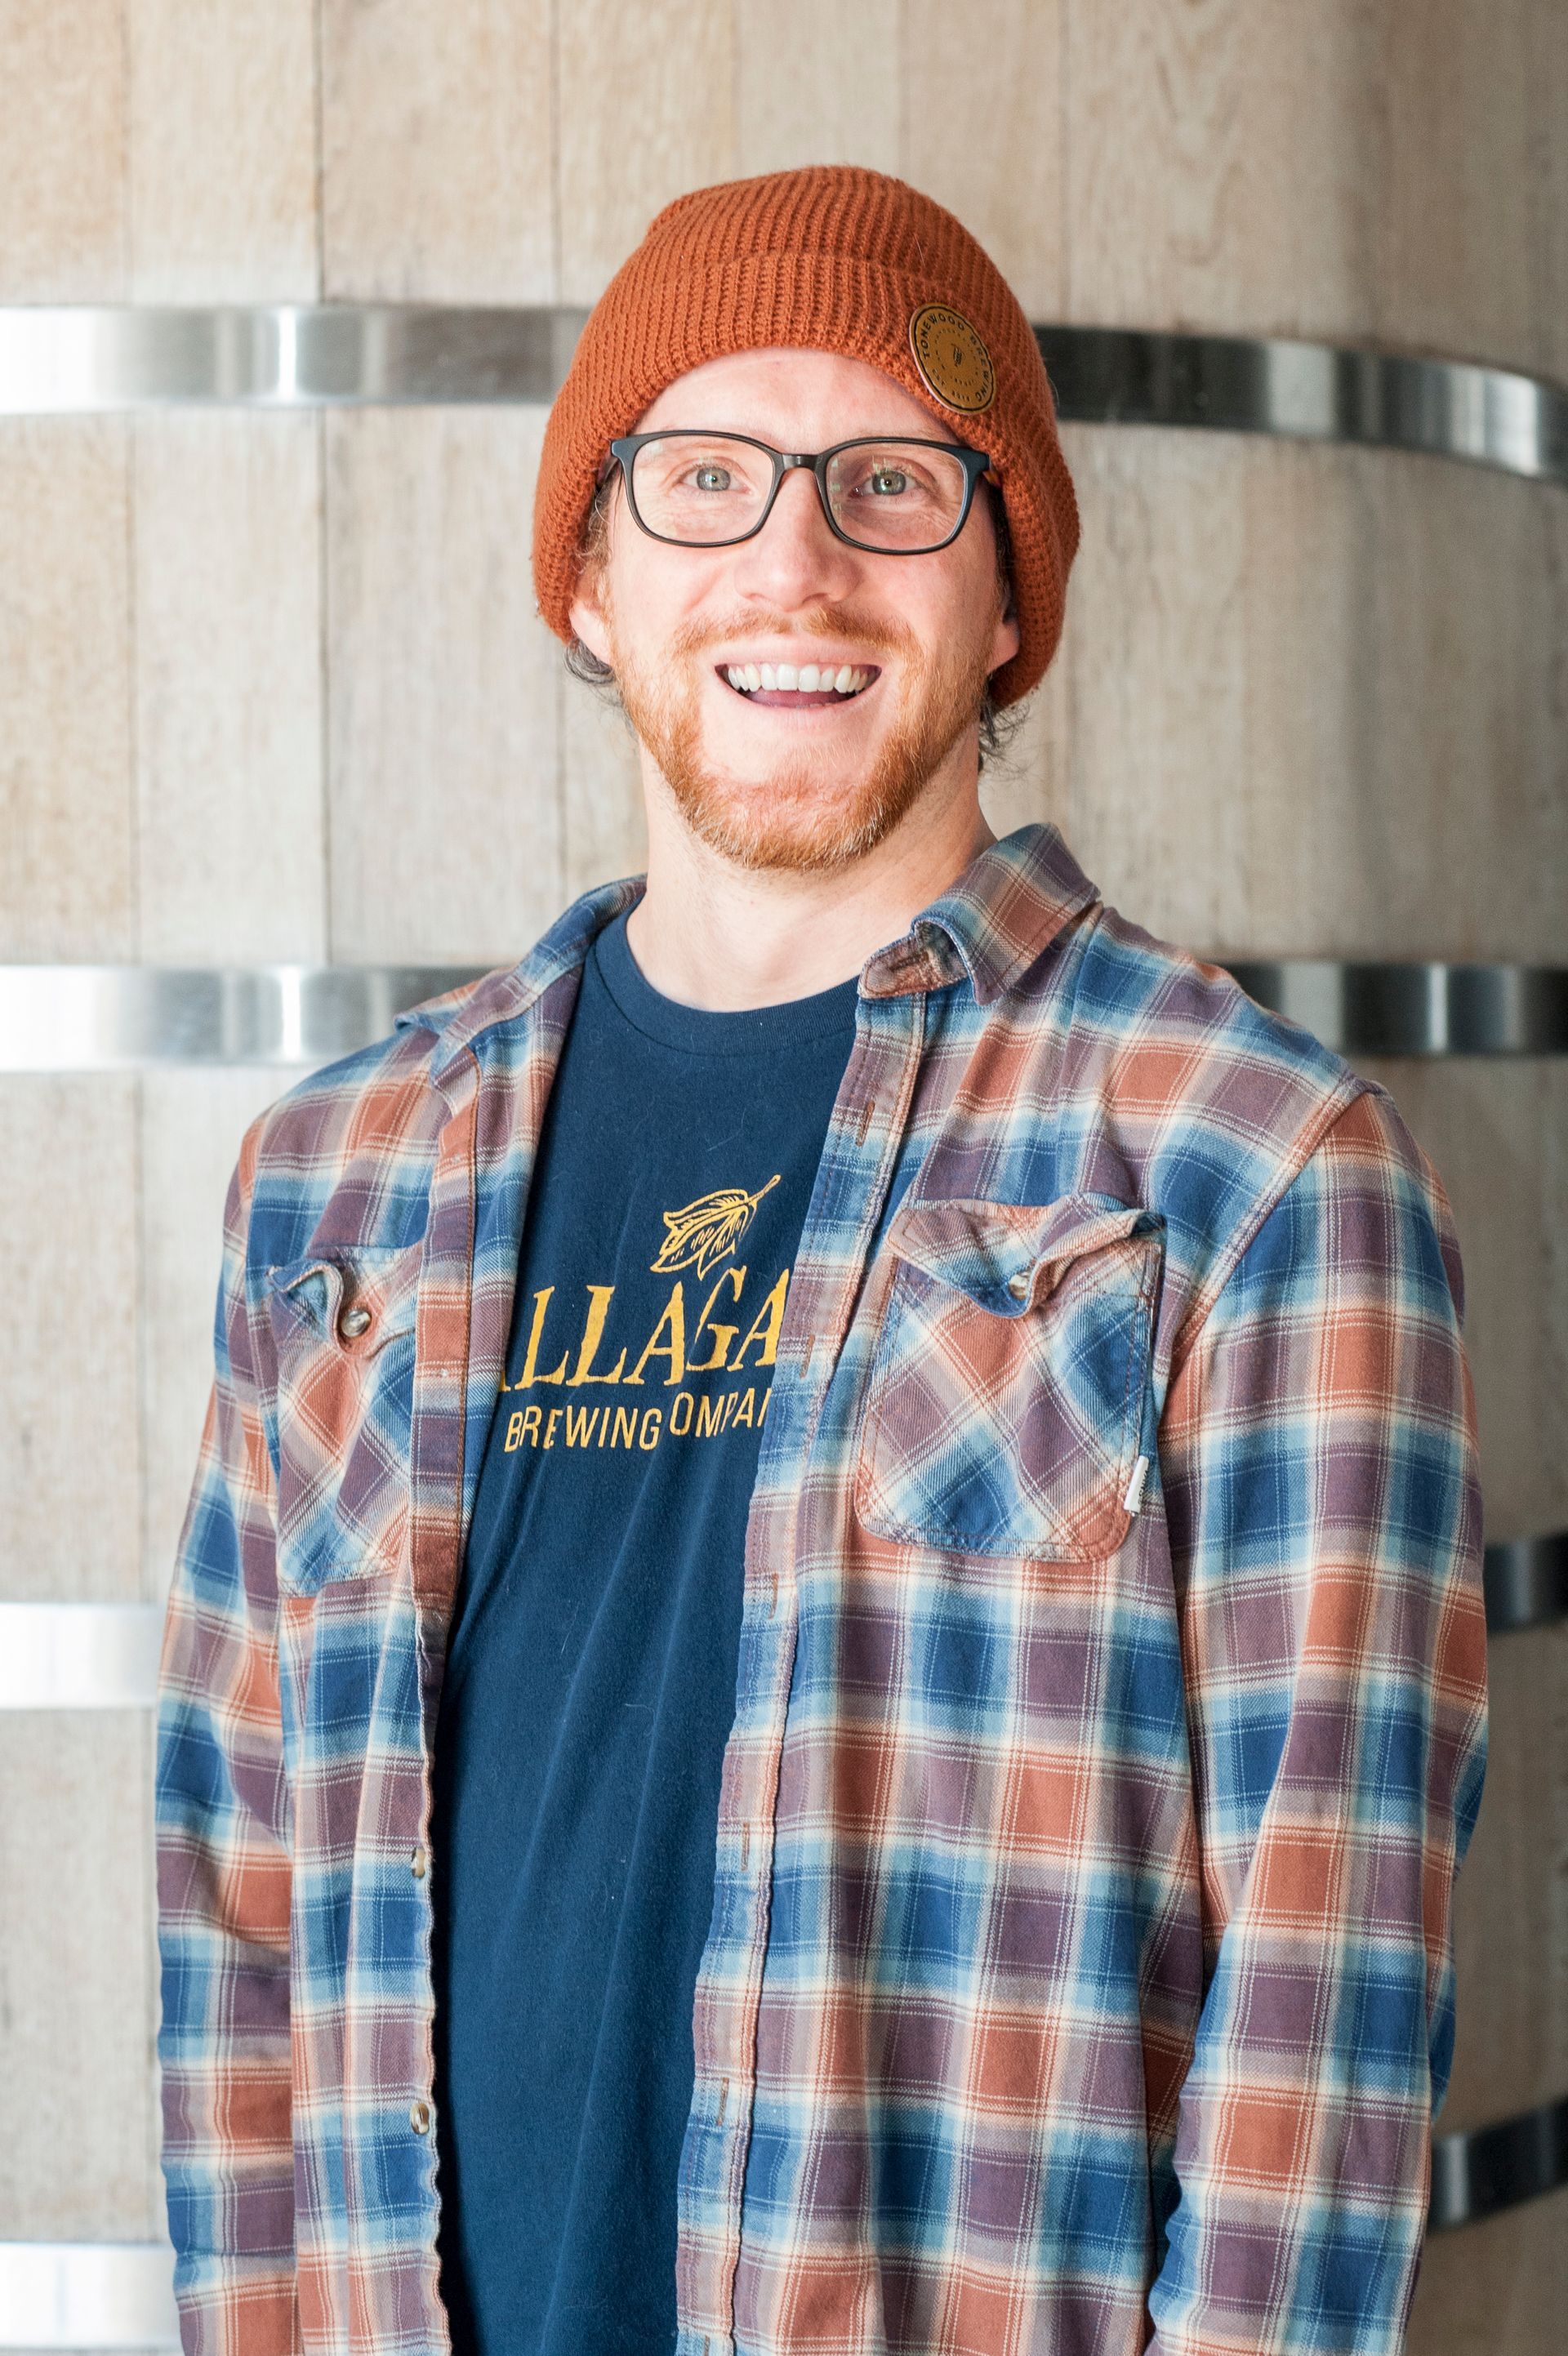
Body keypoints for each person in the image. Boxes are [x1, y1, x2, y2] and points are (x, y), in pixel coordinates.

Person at [154, 166, 1488, 2356]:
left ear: (1005, 600)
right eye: (701, 477)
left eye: (890, 484)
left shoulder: (1254, 1174)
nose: (791, 560)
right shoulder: (337, 1182)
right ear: (587, 577)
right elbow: (237, 1922)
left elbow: (1318, 2063)